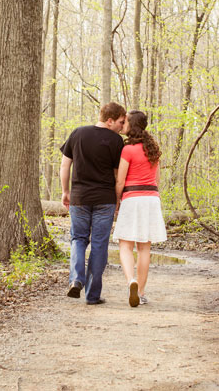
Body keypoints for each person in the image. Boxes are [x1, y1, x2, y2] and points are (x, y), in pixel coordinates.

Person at [59, 102, 127, 305]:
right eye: (121, 123)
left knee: (78, 239)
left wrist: (65, 191)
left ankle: (76, 279)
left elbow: (65, 165)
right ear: (110, 120)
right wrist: (117, 200)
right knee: (99, 244)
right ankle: (92, 295)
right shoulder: (116, 141)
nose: (122, 128)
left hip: (79, 198)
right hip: (104, 199)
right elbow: (117, 175)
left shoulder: (78, 133)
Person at [113, 110, 166, 307]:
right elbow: (157, 181)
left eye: (125, 122)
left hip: (132, 198)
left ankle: (131, 281)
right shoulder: (153, 148)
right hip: (151, 199)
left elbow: (120, 180)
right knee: (145, 248)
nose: (123, 125)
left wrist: (117, 200)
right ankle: (141, 293)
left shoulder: (128, 150)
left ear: (131, 125)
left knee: (125, 245)